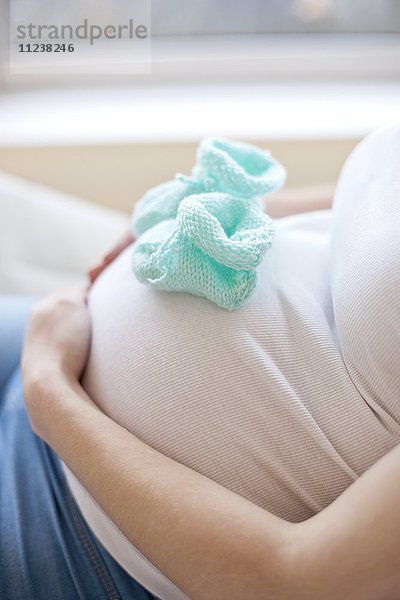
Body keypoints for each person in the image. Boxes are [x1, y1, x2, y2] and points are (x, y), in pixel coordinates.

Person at [2, 124, 400, 599]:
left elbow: (294, 580)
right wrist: (214, 211)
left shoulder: (50, 390)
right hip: (60, 342)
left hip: (79, 537)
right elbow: (368, 196)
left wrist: (50, 391)